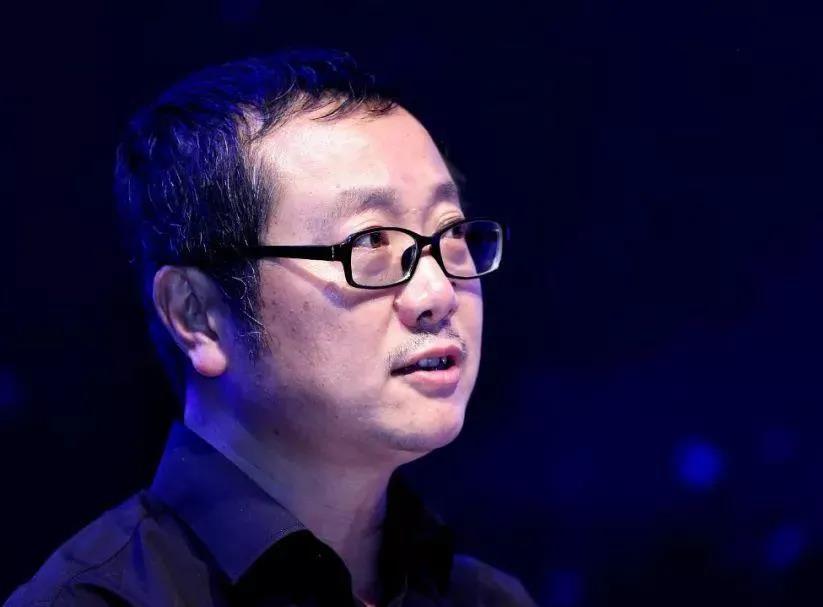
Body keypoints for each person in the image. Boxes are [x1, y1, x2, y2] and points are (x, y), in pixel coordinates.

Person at [5, 48, 535, 607]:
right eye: (370, 241)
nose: (438, 292)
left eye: (450, 230)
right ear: (197, 315)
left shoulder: (487, 598)